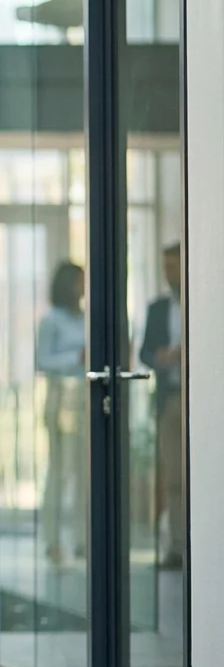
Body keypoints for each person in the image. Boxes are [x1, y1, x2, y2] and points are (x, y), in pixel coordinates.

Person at [36, 262, 87, 564]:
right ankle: (52, 540)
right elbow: (43, 360)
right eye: (79, 282)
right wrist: (75, 358)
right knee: (58, 472)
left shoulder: (85, 319)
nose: (83, 288)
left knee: (82, 474)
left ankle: (82, 539)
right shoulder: (51, 320)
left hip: (83, 402)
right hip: (60, 401)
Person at [140, 242, 183, 569]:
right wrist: (160, 358)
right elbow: (144, 352)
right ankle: (179, 548)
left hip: (202, 403)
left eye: (174, 266)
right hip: (170, 399)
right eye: (165, 266)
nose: (169, 273)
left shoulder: (204, 300)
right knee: (174, 475)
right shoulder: (157, 308)